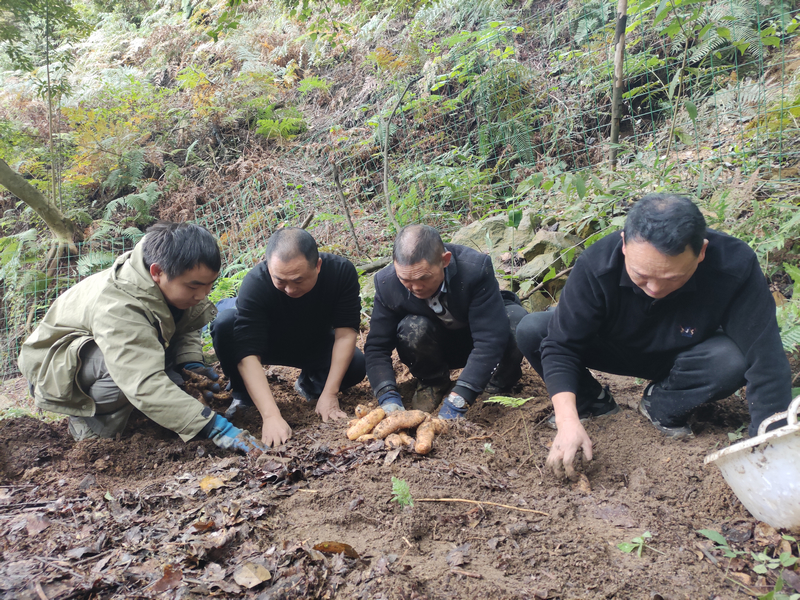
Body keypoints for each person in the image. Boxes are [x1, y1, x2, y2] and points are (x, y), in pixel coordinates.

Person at [516, 194, 792, 477]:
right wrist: (567, 421)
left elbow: (765, 357)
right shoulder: (597, 265)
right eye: (641, 275)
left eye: (672, 278)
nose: (655, 289)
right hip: (613, 347)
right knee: (534, 330)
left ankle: (660, 404)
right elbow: (561, 346)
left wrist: (770, 447)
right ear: (624, 245)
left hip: (685, 356)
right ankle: (591, 403)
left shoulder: (734, 265)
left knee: (731, 360)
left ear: (701, 252)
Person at [18, 222, 265, 455]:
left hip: (109, 350)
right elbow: (142, 381)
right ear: (157, 272)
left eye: (209, 285)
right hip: (57, 368)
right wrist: (215, 427)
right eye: (194, 287)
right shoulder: (118, 305)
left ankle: (140, 407)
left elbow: (187, 322)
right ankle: (89, 422)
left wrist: (189, 362)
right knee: (128, 378)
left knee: (168, 378)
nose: (203, 295)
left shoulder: (171, 276)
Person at [211, 227, 365, 447]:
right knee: (225, 324)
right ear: (269, 267)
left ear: (318, 266)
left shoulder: (340, 273)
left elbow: (345, 334)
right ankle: (243, 395)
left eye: (298, 280)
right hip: (268, 343)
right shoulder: (256, 283)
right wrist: (271, 416)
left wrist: (330, 393)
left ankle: (311, 385)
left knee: (356, 364)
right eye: (281, 281)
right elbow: (247, 353)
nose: (290, 289)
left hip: (313, 342)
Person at [364, 224, 528, 419]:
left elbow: (490, 338)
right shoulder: (387, 284)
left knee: (516, 322)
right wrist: (387, 397)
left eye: (423, 277)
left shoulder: (474, 269)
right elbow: (377, 347)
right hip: (437, 347)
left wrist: (461, 398)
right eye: (405, 279)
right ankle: (433, 382)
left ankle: (495, 385)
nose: (415, 287)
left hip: (480, 339)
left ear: (445, 260)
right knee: (412, 328)